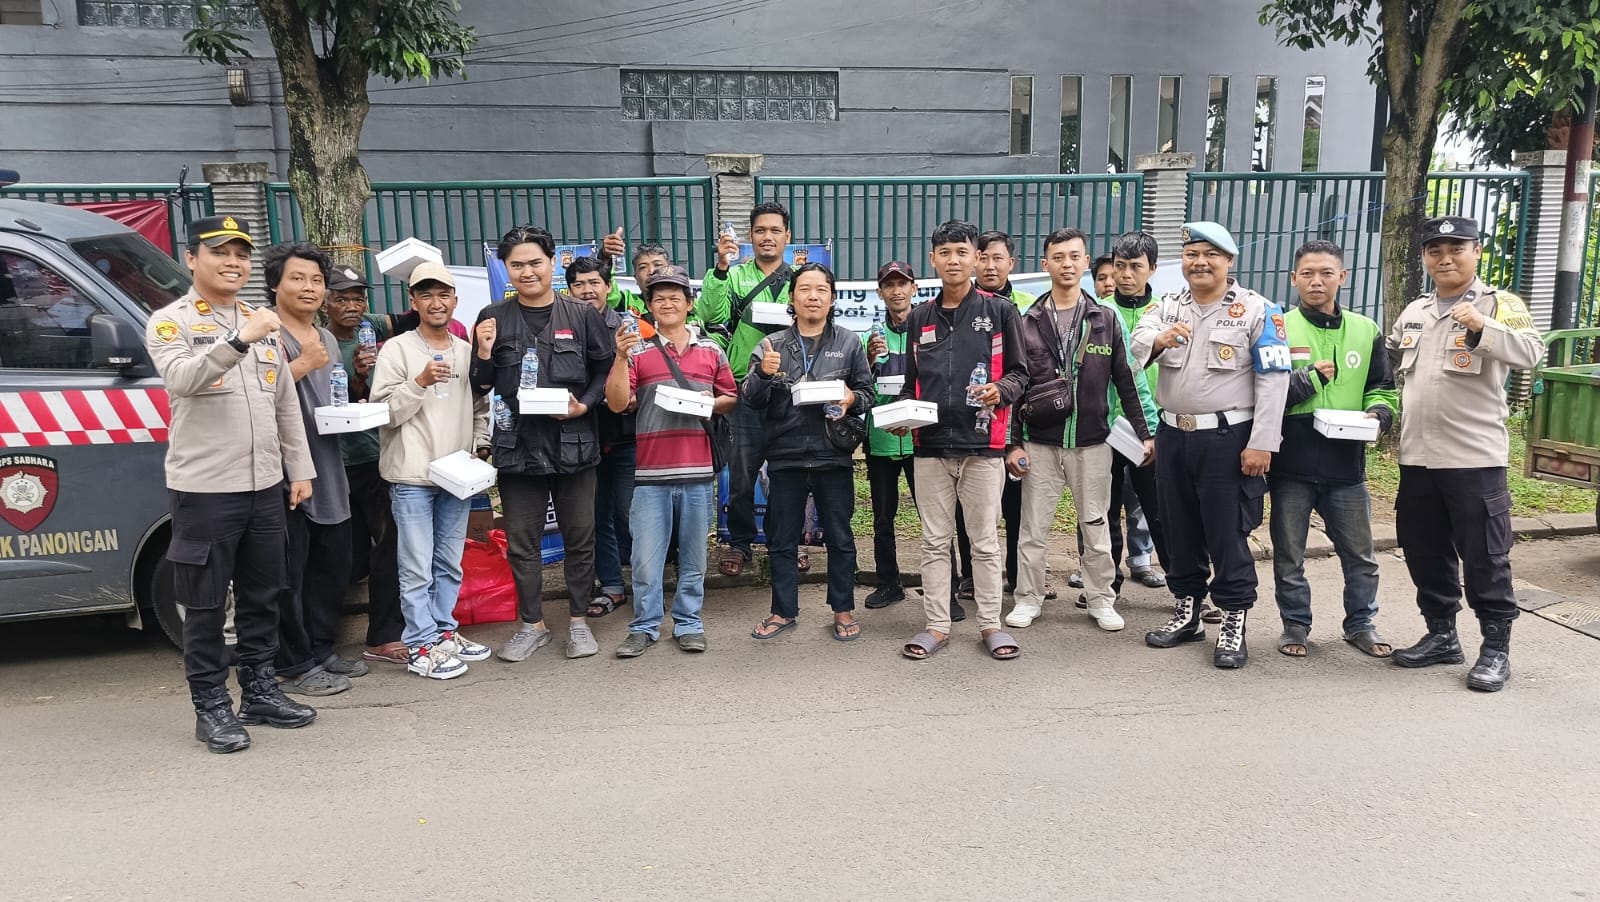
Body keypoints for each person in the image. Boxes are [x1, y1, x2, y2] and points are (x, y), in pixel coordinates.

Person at [145, 214, 316, 753]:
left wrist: (299, 469)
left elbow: (284, 402)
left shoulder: (261, 321)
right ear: (191, 258)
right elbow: (182, 379)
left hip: (264, 485)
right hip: (206, 489)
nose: (233, 262)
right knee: (205, 602)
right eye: (220, 252)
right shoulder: (171, 322)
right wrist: (239, 339)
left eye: (241, 254)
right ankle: (212, 706)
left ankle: (260, 690)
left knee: (264, 594)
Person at [1386, 215, 1544, 691]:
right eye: (1435, 250)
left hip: (1474, 458)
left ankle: (1495, 648)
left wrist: (1482, 327)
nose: (1445, 258)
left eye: (1456, 248)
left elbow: (1532, 352)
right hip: (1417, 457)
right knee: (1423, 550)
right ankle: (1441, 635)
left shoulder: (1500, 303)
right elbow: (1389, 360)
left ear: (1476, 252)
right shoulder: (1415, 310)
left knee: (1485, 557)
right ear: (1424, 257)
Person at [1131, 221, 1290, 669]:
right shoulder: (1168, 305)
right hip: (1173, 435)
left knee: (1226, 532)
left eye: (1210, 254)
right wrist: (1158, 340)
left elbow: (1274, 380)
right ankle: (1187, 612)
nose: (1199, 262)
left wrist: (1262, 443)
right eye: (1192, 254)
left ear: (1229, 261)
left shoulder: (1257, 310)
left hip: (1227, 439)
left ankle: (1233, 622)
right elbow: (1136, 343)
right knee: (1178, 528)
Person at [471, 226, 616, 662]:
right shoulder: (493, 316)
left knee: (580, 538)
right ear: (506, 269)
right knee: (522, 542)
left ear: (552, 263)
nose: (527, 272)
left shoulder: (581, 314)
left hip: (574, 442)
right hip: (518, 446)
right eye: (517, 265)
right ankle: (531, 625)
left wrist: (584, 405)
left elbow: (603, 368)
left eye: (535, 262)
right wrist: (483, 352)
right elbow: (480, 384)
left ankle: (579, 622)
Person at [894, 220, 1029, 662]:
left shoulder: (1000, 312)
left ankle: (990, 624)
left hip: (983, 445)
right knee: (934, 542)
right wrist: (901, 416)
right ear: (933, 259)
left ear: (976, 259)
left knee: (984, 541)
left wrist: (1000, 391)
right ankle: (936, 625)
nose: (953, 260)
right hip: (930, 447)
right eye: (945, 252)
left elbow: (1021, 374)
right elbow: (911, 383)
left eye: (962, 252)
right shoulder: (919, 317)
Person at [1004, 228, 1153, 631]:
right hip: (1040, 442)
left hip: (1092, 442)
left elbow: (1127, 380)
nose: (1067, 264)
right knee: (1033, 529)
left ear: (1086, 262)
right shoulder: (1028, 321)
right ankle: (1028, 598)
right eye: (1058, 257)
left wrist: (1146, 433)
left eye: (1074, 257)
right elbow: (1015, 385)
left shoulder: (1105, 319)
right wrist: (1013, 444)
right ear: (1045, 264)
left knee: (1096, 524)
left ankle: (1101, 599)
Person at [1269, 240, 1397, 659]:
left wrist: (1379, 413)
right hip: (1291, 463)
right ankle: (1295, 625)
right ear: (1294, 278)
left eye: (1326, 273)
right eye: (1307, 273)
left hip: (1346, 466)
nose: (1316, 281)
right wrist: (1306, 380)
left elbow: (1382, 388)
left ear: (1342, 277)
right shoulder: (1277, 327)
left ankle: (1361, 623)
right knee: (1289, 555)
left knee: (1360, 555)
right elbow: (1264, 394)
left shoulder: (1365, 330)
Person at [602, 265, 736, 657]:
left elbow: (730, 396)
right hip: (650, 474)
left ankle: (689, 622)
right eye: (658, 297)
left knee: (694, 558)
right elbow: (616, 403)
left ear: (690, 303)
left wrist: (709, 402)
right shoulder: (638, 352)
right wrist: (619, 356)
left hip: (698, 473)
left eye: (675, 296)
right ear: (649, 306)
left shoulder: (711, 350)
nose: (667, 303)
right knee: (645, 561)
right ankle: (644, 626)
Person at [369, 262, 492, 680]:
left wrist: (480, 445)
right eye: (426, 295)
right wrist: (418, 382)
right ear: (413, 301)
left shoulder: (465, 351)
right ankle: (420, 644)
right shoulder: (397, 349)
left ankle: (443, 632)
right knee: (416, 566)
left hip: (455, 475)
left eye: (443, 294)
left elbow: (480, 406)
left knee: (449, 562)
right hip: (412, 476)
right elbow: (384, 413)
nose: (436, 303)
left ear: (455, 300)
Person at [745, 263, 875, 642]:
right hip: (784, 454)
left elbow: (866, 394)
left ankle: (843, 609)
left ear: (832, 298)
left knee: (840, 537)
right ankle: (782, 610)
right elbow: (750, 398)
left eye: (821, 290)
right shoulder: (772, 345)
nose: (813, 296)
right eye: (805, 289)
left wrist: (851, 398)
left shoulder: (849, 342)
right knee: (782, 538)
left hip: (832, 453)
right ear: (792, 297)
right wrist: (763, 374)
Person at [263, 243, 360, 696]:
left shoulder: (325, 337)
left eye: (316, 280)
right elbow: (254, 399)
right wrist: (301, 365)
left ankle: (321, 648)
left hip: (327, 463)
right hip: (283, 471)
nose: (309, 288)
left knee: (331, 563)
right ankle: (292, 664)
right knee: (289, 573)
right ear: (275, 284)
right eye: (297, 278)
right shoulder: (264, 334)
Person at [322, 265, 420, 665]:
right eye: (341, 298)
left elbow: (414, 315)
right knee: (342, 554)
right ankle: (318, 643)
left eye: (358, 298)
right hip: (334, 465)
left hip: (377, 459)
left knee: (390, 547)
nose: (351, 306)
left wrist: (413, 271)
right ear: (326, 302)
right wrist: (357, 379)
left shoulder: (374, 331)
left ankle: (385, 635)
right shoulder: (318, 342)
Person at [696, 201, 793, 578]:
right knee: (740, 474)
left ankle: (786, 542)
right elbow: (710, 316)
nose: (768, 237)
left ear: (787, 236)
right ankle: (739, 542)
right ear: (750, 236)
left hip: (788, 389)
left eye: (775, 230)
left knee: (788, 473)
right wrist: (721, 268)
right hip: (744, 386)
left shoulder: (800, 279)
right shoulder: (734, 276)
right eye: (760, 230)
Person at [951, 230, 1038, 605]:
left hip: (1016, 424)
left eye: (997, 258)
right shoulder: (957, 306)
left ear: (1011, 263)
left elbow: (1031, 371)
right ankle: (971, 577)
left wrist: (1019, 434)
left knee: (1018, 509)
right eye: (983, 257)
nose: (989, 265)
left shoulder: (1028, 307)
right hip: (970, 429)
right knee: (968, 509)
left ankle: (1018, 578)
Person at [567, 256, 636, 618]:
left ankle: (647, 583)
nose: (587, 290)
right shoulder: (562, 324)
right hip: (580, 436)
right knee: (595, 517)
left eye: (594, 282)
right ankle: (611, 585)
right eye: (578, 284)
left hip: (624, 436)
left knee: (629, 513)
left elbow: (644, 373)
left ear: (609, 287)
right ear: (569, 290)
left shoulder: (627, 326)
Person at [862, 261, 918, 609]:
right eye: (889, 285)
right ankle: (888, 583)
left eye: (903, 284)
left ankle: (947, 588)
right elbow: (860, 387)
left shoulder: (927, 329)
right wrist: (870, 361)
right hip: (881, 438)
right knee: (883, 518)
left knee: (935, 519)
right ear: (880, 292)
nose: (897, 291)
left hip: (921, 438)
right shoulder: (870, 336)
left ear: (914, 288)